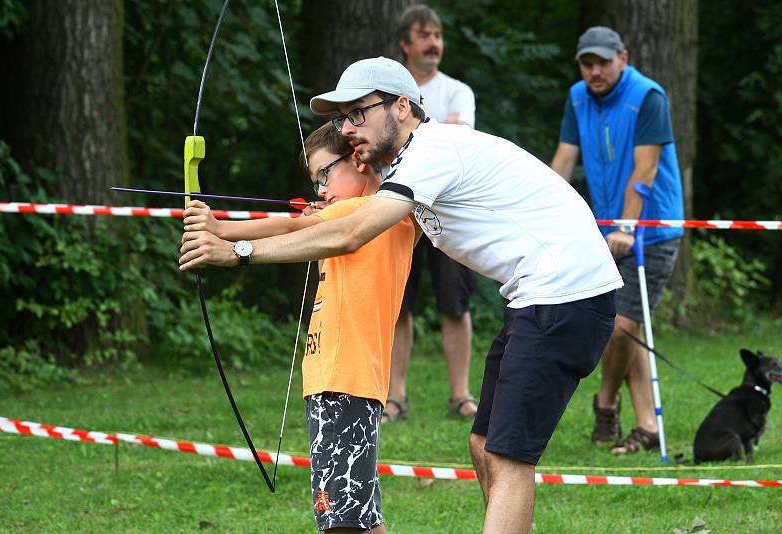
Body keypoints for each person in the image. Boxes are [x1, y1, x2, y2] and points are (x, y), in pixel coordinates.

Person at [180, 56, 622, 533]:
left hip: (566, 297)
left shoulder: (431, 151)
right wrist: (222, 230)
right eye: (341, 118)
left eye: (358, 113)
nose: (348, 128)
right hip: (538, 299)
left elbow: (350, 232)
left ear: (403, 107)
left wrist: (238, 252)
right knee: (485, 444)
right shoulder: (411, 164)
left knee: (509, 458)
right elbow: (325, 219)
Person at [181, 122, 416, 533]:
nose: (321, 190)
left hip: (347, 381)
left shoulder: (372, 213)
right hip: (335, 382)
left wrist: (221, 231)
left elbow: (293, 227)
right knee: (351, 518)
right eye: (316, 181)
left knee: (345, 522)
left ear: (359, 160)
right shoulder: (351, 216)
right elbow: (302, 225)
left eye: (325, 174)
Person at [550, 26, 684, 455]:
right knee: (628, 327)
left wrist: (626, 225)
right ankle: (647, 426)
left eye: (603, 62)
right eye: (587, 63)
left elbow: (645, 169)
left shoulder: (648, 96)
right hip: (605, 230)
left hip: (651, 227)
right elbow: (564, 160)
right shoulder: (577, 98)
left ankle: (605, 403)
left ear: (623, 58)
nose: (594, 71)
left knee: (622, 326)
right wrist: (540, 214)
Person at [383, 4, 479, 423]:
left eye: (438, 35)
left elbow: (460, 139)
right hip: (398, 211)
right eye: (424, 35)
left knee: (455, 305)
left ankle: (461, 395)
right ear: (406, 44)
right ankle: (394, 397)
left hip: (449, 212)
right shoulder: (389, 95)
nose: (434, 43)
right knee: (397, 304)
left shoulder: (459, 91)